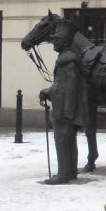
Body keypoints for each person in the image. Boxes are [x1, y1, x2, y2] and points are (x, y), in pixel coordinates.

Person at [38, 17, 89, 184]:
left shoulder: (66, 61)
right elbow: (62, 85)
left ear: (64, 42)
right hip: (67, 108)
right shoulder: (68, 59)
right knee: (68, 139)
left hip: (64, 110)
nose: (53, 44)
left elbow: (66, 87)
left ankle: (63, 173)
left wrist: (49, 93)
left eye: (56, 41)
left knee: (61, 139)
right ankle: (70, 171)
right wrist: (50, 91)